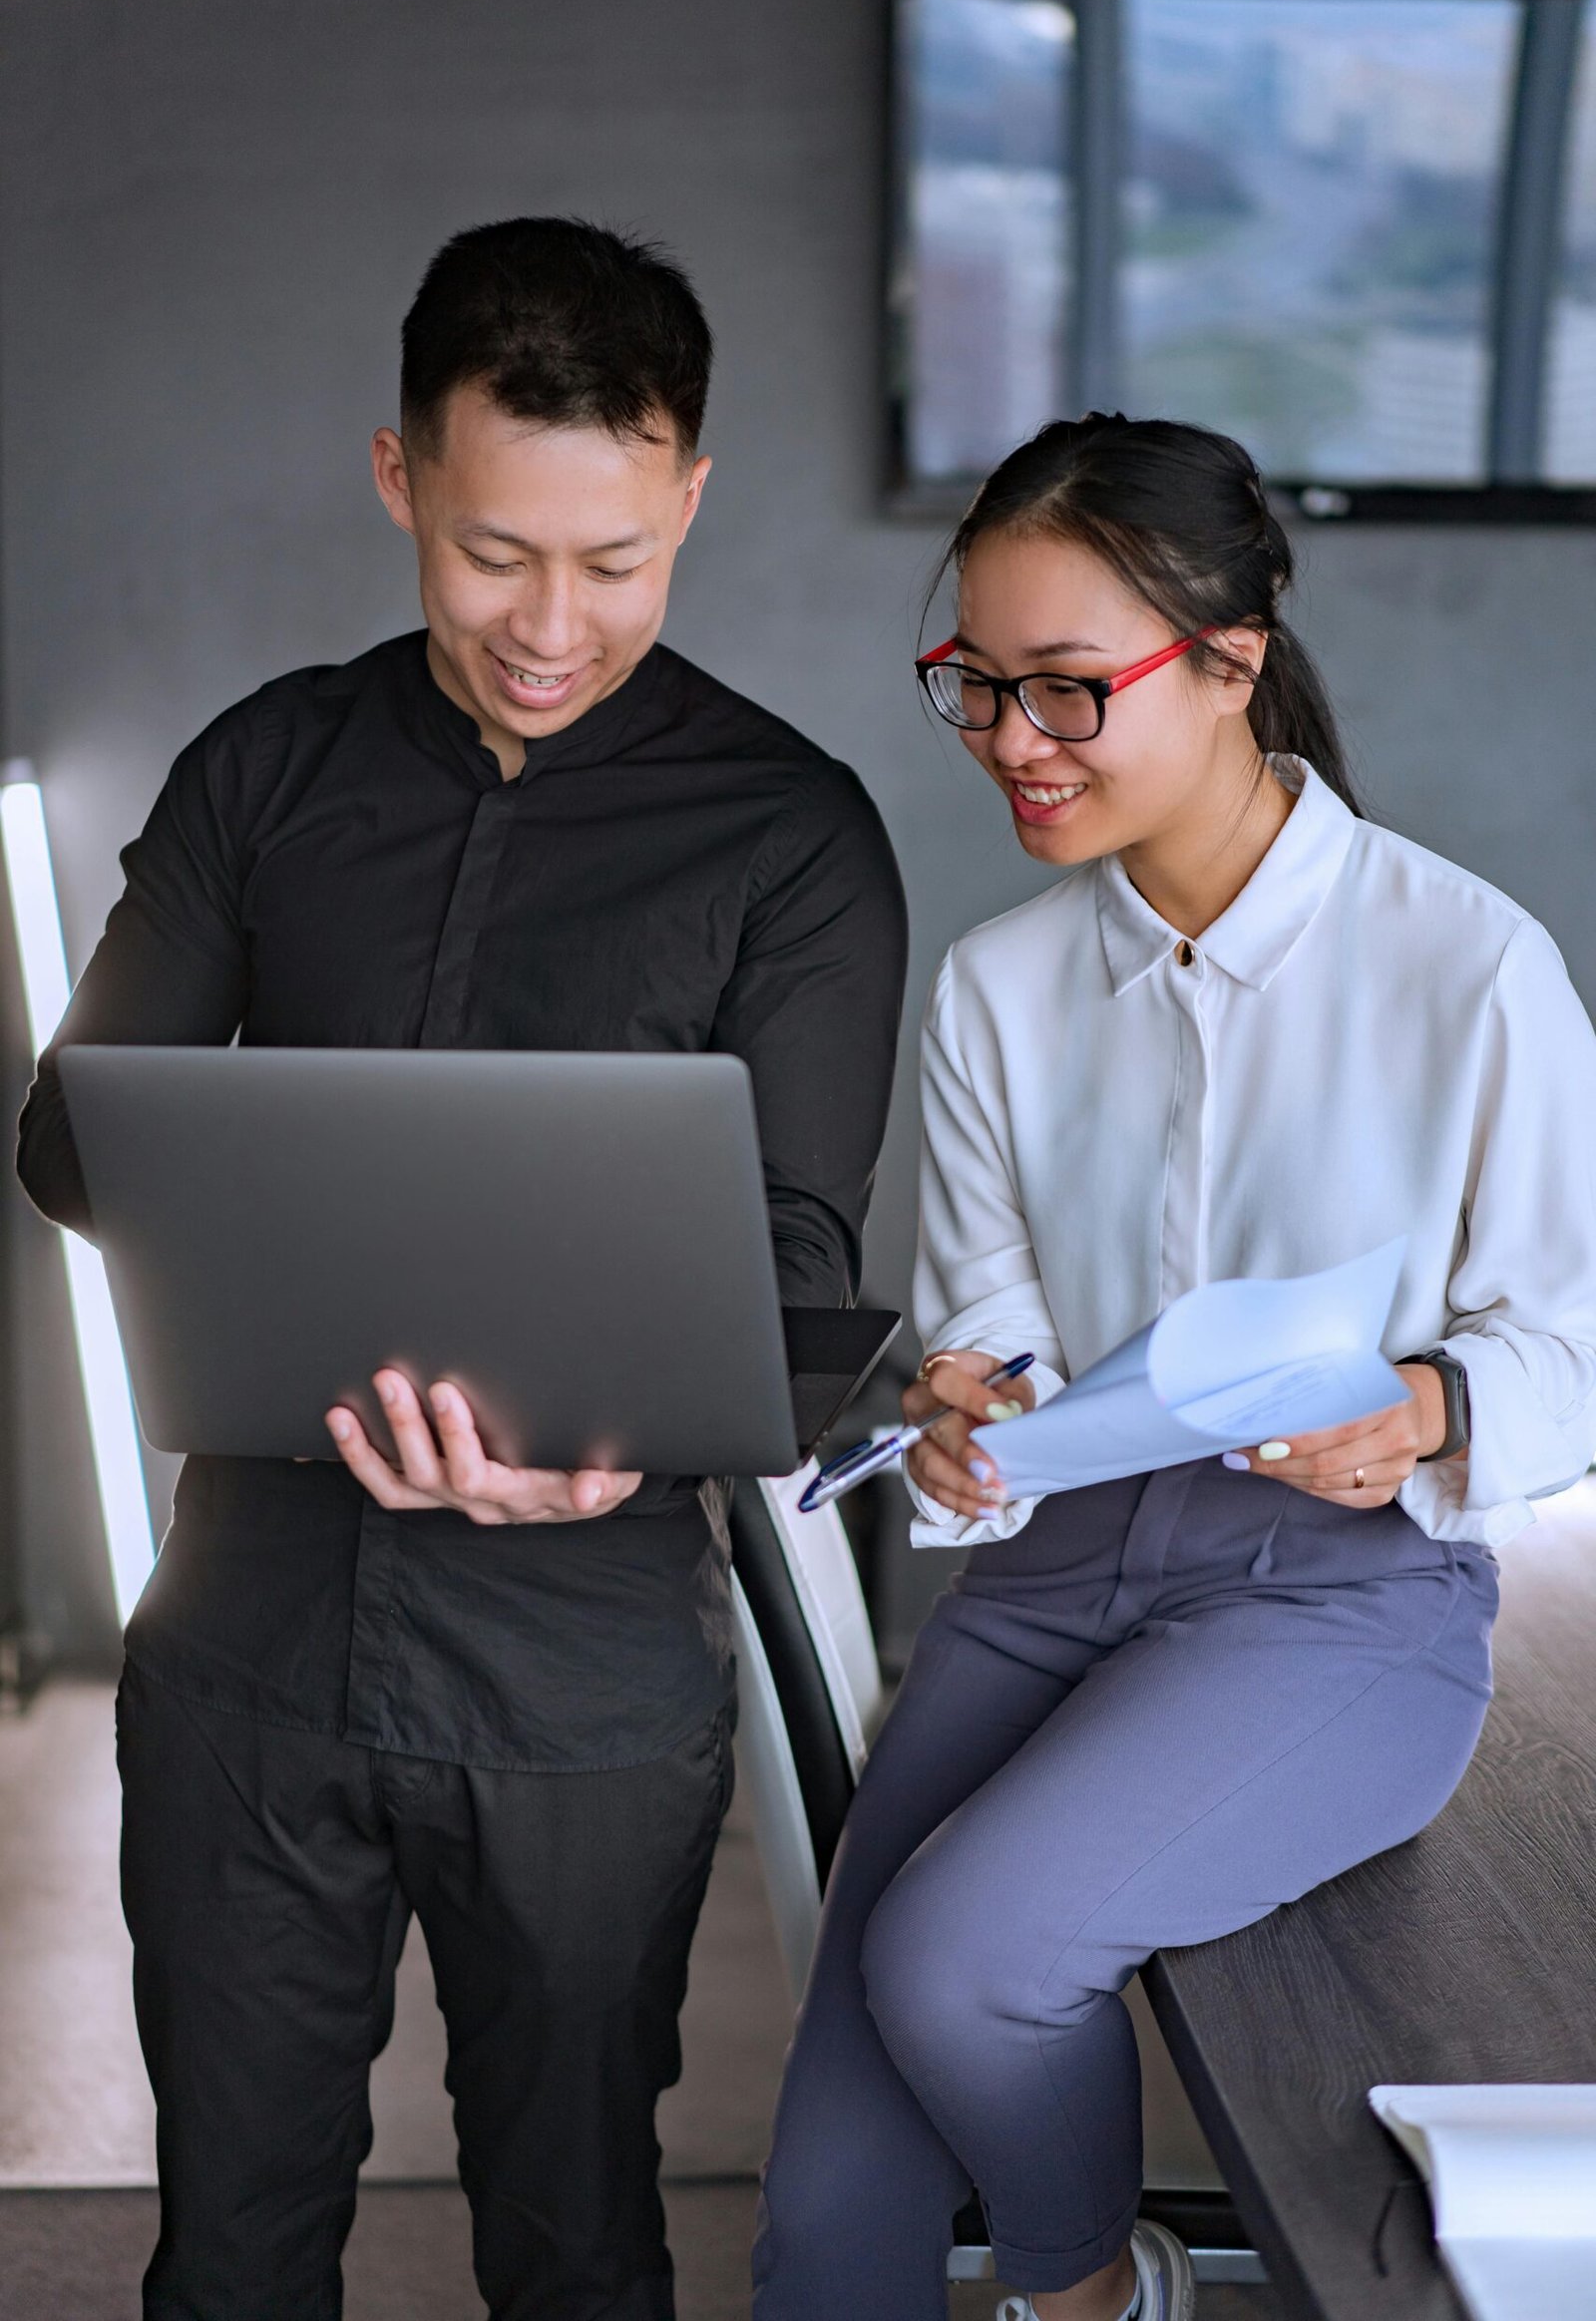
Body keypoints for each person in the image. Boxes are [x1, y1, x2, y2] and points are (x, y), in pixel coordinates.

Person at [17, 215, 907, 2321]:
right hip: (244, 1643)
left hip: (584, 1674)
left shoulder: (790, 835)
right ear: (400, 472)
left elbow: (786, 1265)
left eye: (616, 561)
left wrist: (596, 1444)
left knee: (578, 2235)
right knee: (227, 2247)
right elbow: (68, 1140)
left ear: (689, 496)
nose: (548, 623)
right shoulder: (267, 769)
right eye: (496, 550)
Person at [751, 413, 1596, 2321]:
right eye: (974, 686)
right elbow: (992, 1330)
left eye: (1067, 690)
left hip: (1345, 1606)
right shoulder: (997, 982)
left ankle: (1085, 2294)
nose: (1010, 743)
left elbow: (1575, 1340)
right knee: (825, 2243)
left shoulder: (1470, 968)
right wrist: (963, 1417)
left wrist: (1430, 1409)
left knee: (966, 1954)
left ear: (1233, 656)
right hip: (1056, 1583)